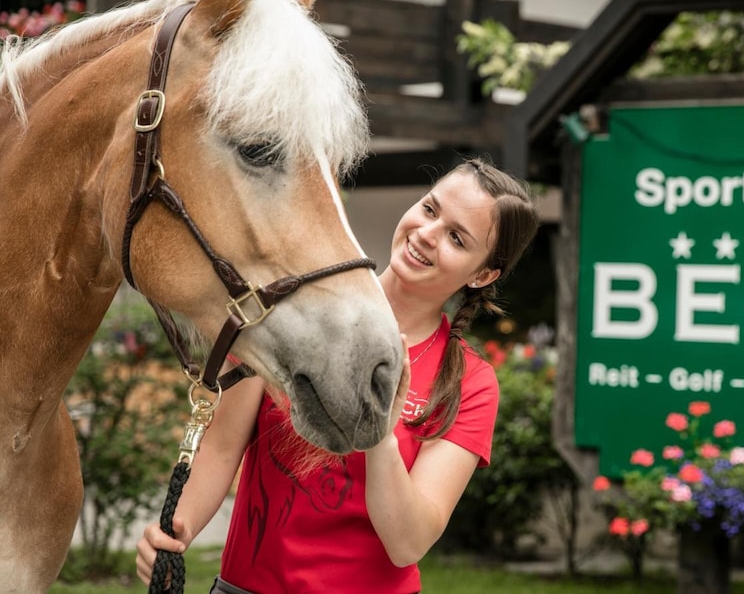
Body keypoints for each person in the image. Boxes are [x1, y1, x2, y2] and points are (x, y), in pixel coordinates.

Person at [136, 157, 539, 593]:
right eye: (429, 209)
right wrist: (176, 533)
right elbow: (221, 447)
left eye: (456, 238)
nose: (427, 233)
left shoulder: (469, 384)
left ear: (482, 274)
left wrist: (380, 431)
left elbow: (407, 544)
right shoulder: (289, 310)